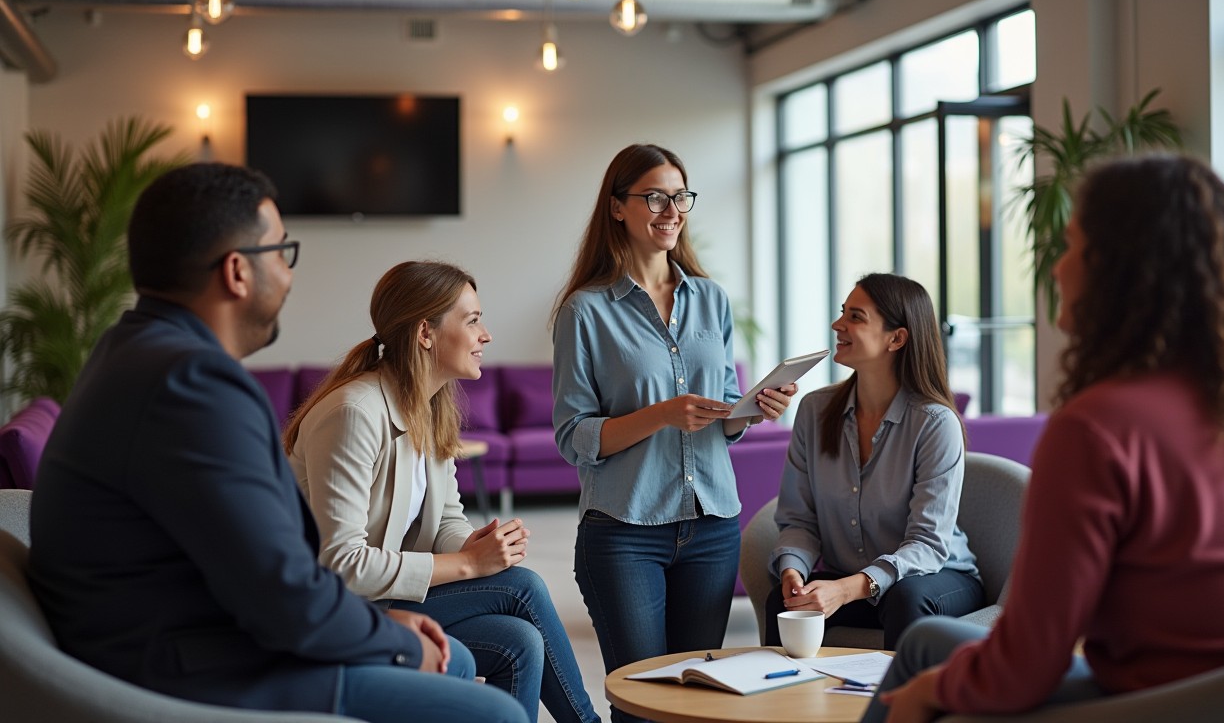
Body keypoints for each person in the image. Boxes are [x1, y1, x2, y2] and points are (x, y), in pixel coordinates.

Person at [27, 163, 527, 723]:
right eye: (282, 252)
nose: (289, 276)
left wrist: (384, 624)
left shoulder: (129, 351)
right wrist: (396, 639)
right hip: (192, 668)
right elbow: (284, 592)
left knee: (471, 654)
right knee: (493, 713)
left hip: (163, 637)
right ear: (238, 272)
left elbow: (262, 561)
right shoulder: (194, 384)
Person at [865, 155, 1224, 723]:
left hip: (1161, 703)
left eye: (1071, 246)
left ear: (1118, 271)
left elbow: (1027, 663)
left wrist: (930, 694)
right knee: (927, 644)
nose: (1057, 268)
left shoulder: (1097, 429)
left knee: (920, 678)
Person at [286, 260, 599, 723]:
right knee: (524, 588)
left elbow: (448, 516)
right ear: (425, 334)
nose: (486, 335)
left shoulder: (430, 406)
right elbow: (341, 565)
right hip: (334, 606)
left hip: (383, 595)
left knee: (521, 642)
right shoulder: (354, 413)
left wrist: (475, 546)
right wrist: (469, 564)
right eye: (472, 321)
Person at [551, 143, 796, 721]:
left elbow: (718, 419)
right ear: (618, 207)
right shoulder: (584, 311)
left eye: (680, 196)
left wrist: (750, 411)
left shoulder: (711, 298)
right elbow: (573, 436)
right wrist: (662, 413)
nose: (672, 209)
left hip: (712, 526)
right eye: (654, 196)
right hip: (625, 532)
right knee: (642, 703)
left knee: (696, 700)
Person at [767, 273, 983, 650]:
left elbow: (928, 545)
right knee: (780, 605)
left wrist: (849, 588)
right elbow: (799, 519)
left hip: (936, 576)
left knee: (905, 597)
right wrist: (793, 571)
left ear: (896, 338)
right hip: (851, 580)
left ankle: (894, 707)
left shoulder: (935, 423)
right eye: (841, 313)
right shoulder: (814, 412)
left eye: (855, 317)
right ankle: (782, 704)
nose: (838, 325)